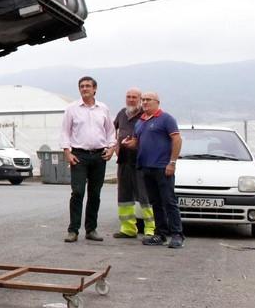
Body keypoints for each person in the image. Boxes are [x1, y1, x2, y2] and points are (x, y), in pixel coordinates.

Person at [122, 91, 184, 248]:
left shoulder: (166, 119)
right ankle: (160, 234)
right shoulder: (140, 121)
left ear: (157, 102)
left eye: (148, 100)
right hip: (146, 167)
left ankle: (177, 234)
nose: (144, 102)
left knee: (169, 201)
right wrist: (128, 144)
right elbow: (136, 142)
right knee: (155, 202)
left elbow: (176, 139)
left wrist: (172, 162)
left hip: (162, 167)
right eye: (143, 100)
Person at [60, 76, 116, 242]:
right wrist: (67, 152)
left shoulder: (103, 109)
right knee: (77, 192)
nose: (84, 89)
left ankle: (91, 229)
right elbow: (65, 132)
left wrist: (112, 148)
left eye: (87, 86)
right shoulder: (71, 109)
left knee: (95, 193)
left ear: (95, 89)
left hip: (99, 155)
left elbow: (110, 131)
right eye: (82, 86)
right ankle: (73, 230)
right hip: (79, 155)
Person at [112, 88, 156, 239]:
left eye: (134, 97)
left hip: (141, 161)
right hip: (123, 160)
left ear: (140, 99)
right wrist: (116, 146)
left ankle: (150, 229)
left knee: (144, 196)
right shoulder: (121, 114)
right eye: (128, 97)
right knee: (124, 196)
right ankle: (128, 229)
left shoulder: (145, 115)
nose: (131, 99)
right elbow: (112, 130)